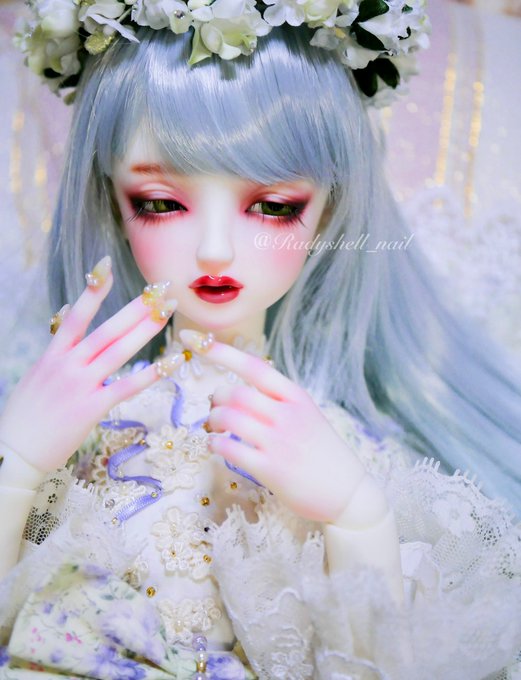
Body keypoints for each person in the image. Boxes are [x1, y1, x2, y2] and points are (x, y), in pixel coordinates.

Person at [0, 2, 520, 678]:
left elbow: (378, 662)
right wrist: (16, 464)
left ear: (327, 212)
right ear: (110, 200)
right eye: (160, 203)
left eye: (274, 207)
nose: (215, 250)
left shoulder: (327, 442)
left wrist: (357, 519)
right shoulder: (86, 427)